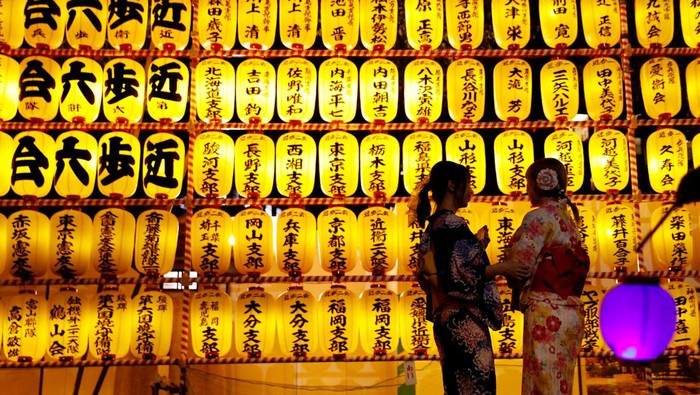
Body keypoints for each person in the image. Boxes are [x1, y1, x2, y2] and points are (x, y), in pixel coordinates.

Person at [409, 161, 530, 395]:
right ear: (453, 185)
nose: (471, 191)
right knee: (477, 386)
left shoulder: (435, 225)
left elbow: (445, 272)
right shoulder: (451, 224)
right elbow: (458, 276)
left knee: (458, 388)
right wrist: (504, 267)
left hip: (446, 319)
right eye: (469, 184)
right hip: (463, 320)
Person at [504, 158, 590, 395]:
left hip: (546, 311)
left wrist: (505, 260)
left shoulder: (538, 217)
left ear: (540, 184)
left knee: (542, 382)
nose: (526, 189)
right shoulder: (568, 220)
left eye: (528, 183)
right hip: (570, 309)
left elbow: (521, 264)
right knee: (561, 383)